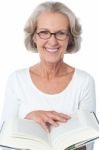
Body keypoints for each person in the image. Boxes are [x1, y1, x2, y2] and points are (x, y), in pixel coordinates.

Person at [0, 1, 96, 150]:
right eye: (44, 32)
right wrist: (28, 121)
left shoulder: (84, 82)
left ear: (70, 38)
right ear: (34, 37)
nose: (52, 41)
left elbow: (88, 144)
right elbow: (4, 143)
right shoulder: (16, 80)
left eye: (60, 33)